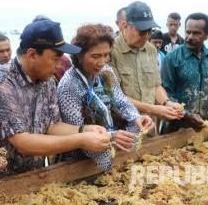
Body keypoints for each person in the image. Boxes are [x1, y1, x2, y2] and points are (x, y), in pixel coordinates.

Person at [0, 19, 110, 177]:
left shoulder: (47, 81)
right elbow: (23, 143)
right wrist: (80, 139)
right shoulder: (0, 84)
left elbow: (52, 126)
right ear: (32, 54)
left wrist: (84, 129)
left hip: (31, 177)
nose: (60, 65)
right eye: (55, 58)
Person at [56, 24, 154, 170]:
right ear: (79, 55)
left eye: (106, 55)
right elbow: (79, 130)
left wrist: (137, 118)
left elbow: (120, 101)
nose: (102, 62)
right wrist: (111, 136)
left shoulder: (106, 72)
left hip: (114, 151)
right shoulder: (69, 84)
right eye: (95, 56)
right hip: (82, 161)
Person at [110, 1, 184, 135]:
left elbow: (155, 85)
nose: (146, 36)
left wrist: (167, 103)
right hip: (124, 129)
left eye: (150, 31)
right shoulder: (111, 51)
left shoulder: (150, 49)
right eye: (142, 31)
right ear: (125, 25)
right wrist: (154, 109)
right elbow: (116, 96)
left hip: (149, 127)